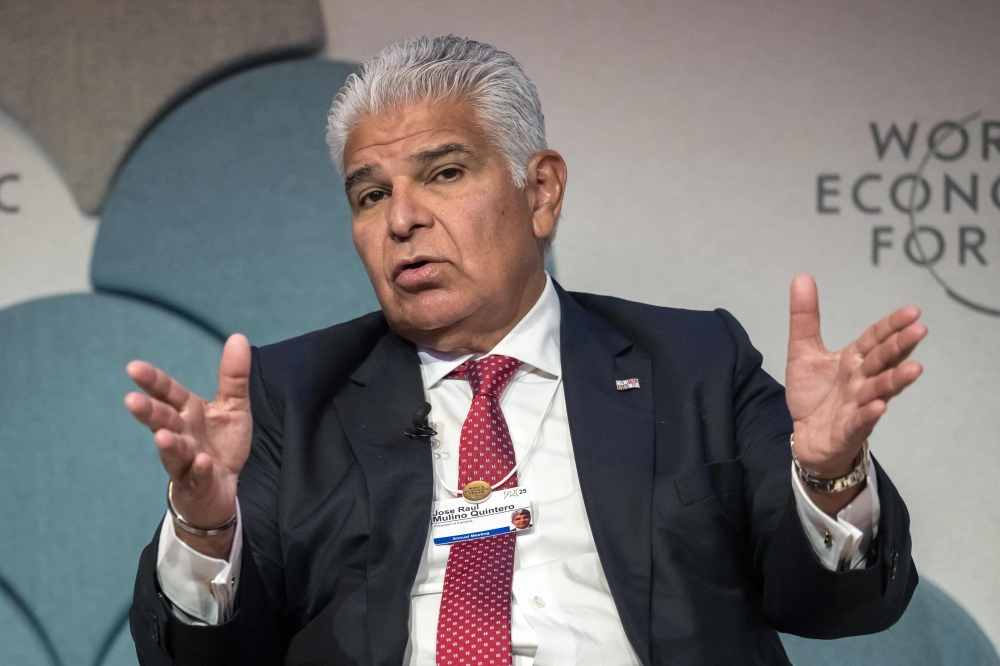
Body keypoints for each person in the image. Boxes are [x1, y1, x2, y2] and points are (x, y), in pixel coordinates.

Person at [125, 36, 925, 666]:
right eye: (370, 194)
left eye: (443, 173)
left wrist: (826, 476)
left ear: (540, 191)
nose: (402, 220)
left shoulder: (691, 363)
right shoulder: (295, 395)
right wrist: (204, 531)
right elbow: (208, 657)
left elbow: (837, 608)